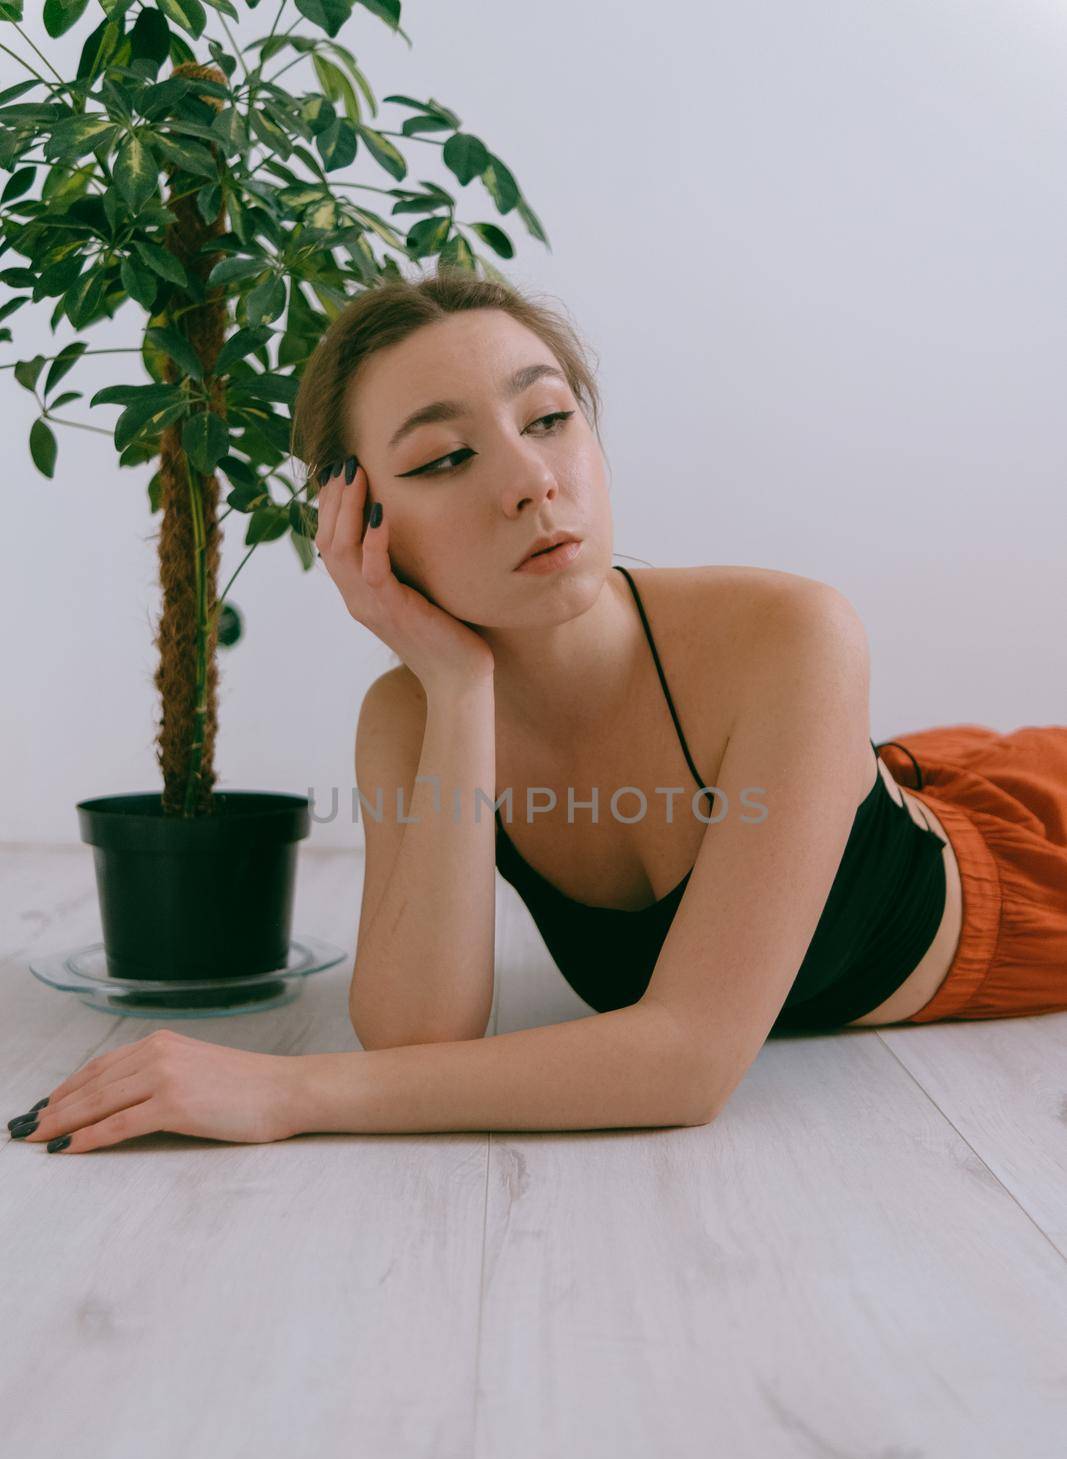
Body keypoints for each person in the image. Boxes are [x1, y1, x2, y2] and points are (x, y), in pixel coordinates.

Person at [292, 266, 1067, 1061]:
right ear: (358, 522)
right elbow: (415, 1037)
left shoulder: (791, 633)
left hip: (1030, 880)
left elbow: (690, 1058)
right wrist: (458, 687)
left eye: (549, 417)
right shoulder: (411, 715)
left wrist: (289, 1092)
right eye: (447, 457)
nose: (531, 481)